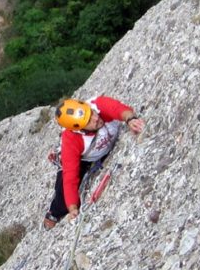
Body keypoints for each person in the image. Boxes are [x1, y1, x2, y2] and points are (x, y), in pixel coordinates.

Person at [43, 96, 145, 229]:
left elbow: (118, 108)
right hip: (85, 158)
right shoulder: (71, 140)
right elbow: (70, 178)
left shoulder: (98, 104)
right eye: (89, 121)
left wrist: (130, 119)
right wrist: (73, 208)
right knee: (63, 190)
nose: (96, 118)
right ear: (80, 129)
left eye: (92, 113)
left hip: (102, 149)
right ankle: (54, 213)